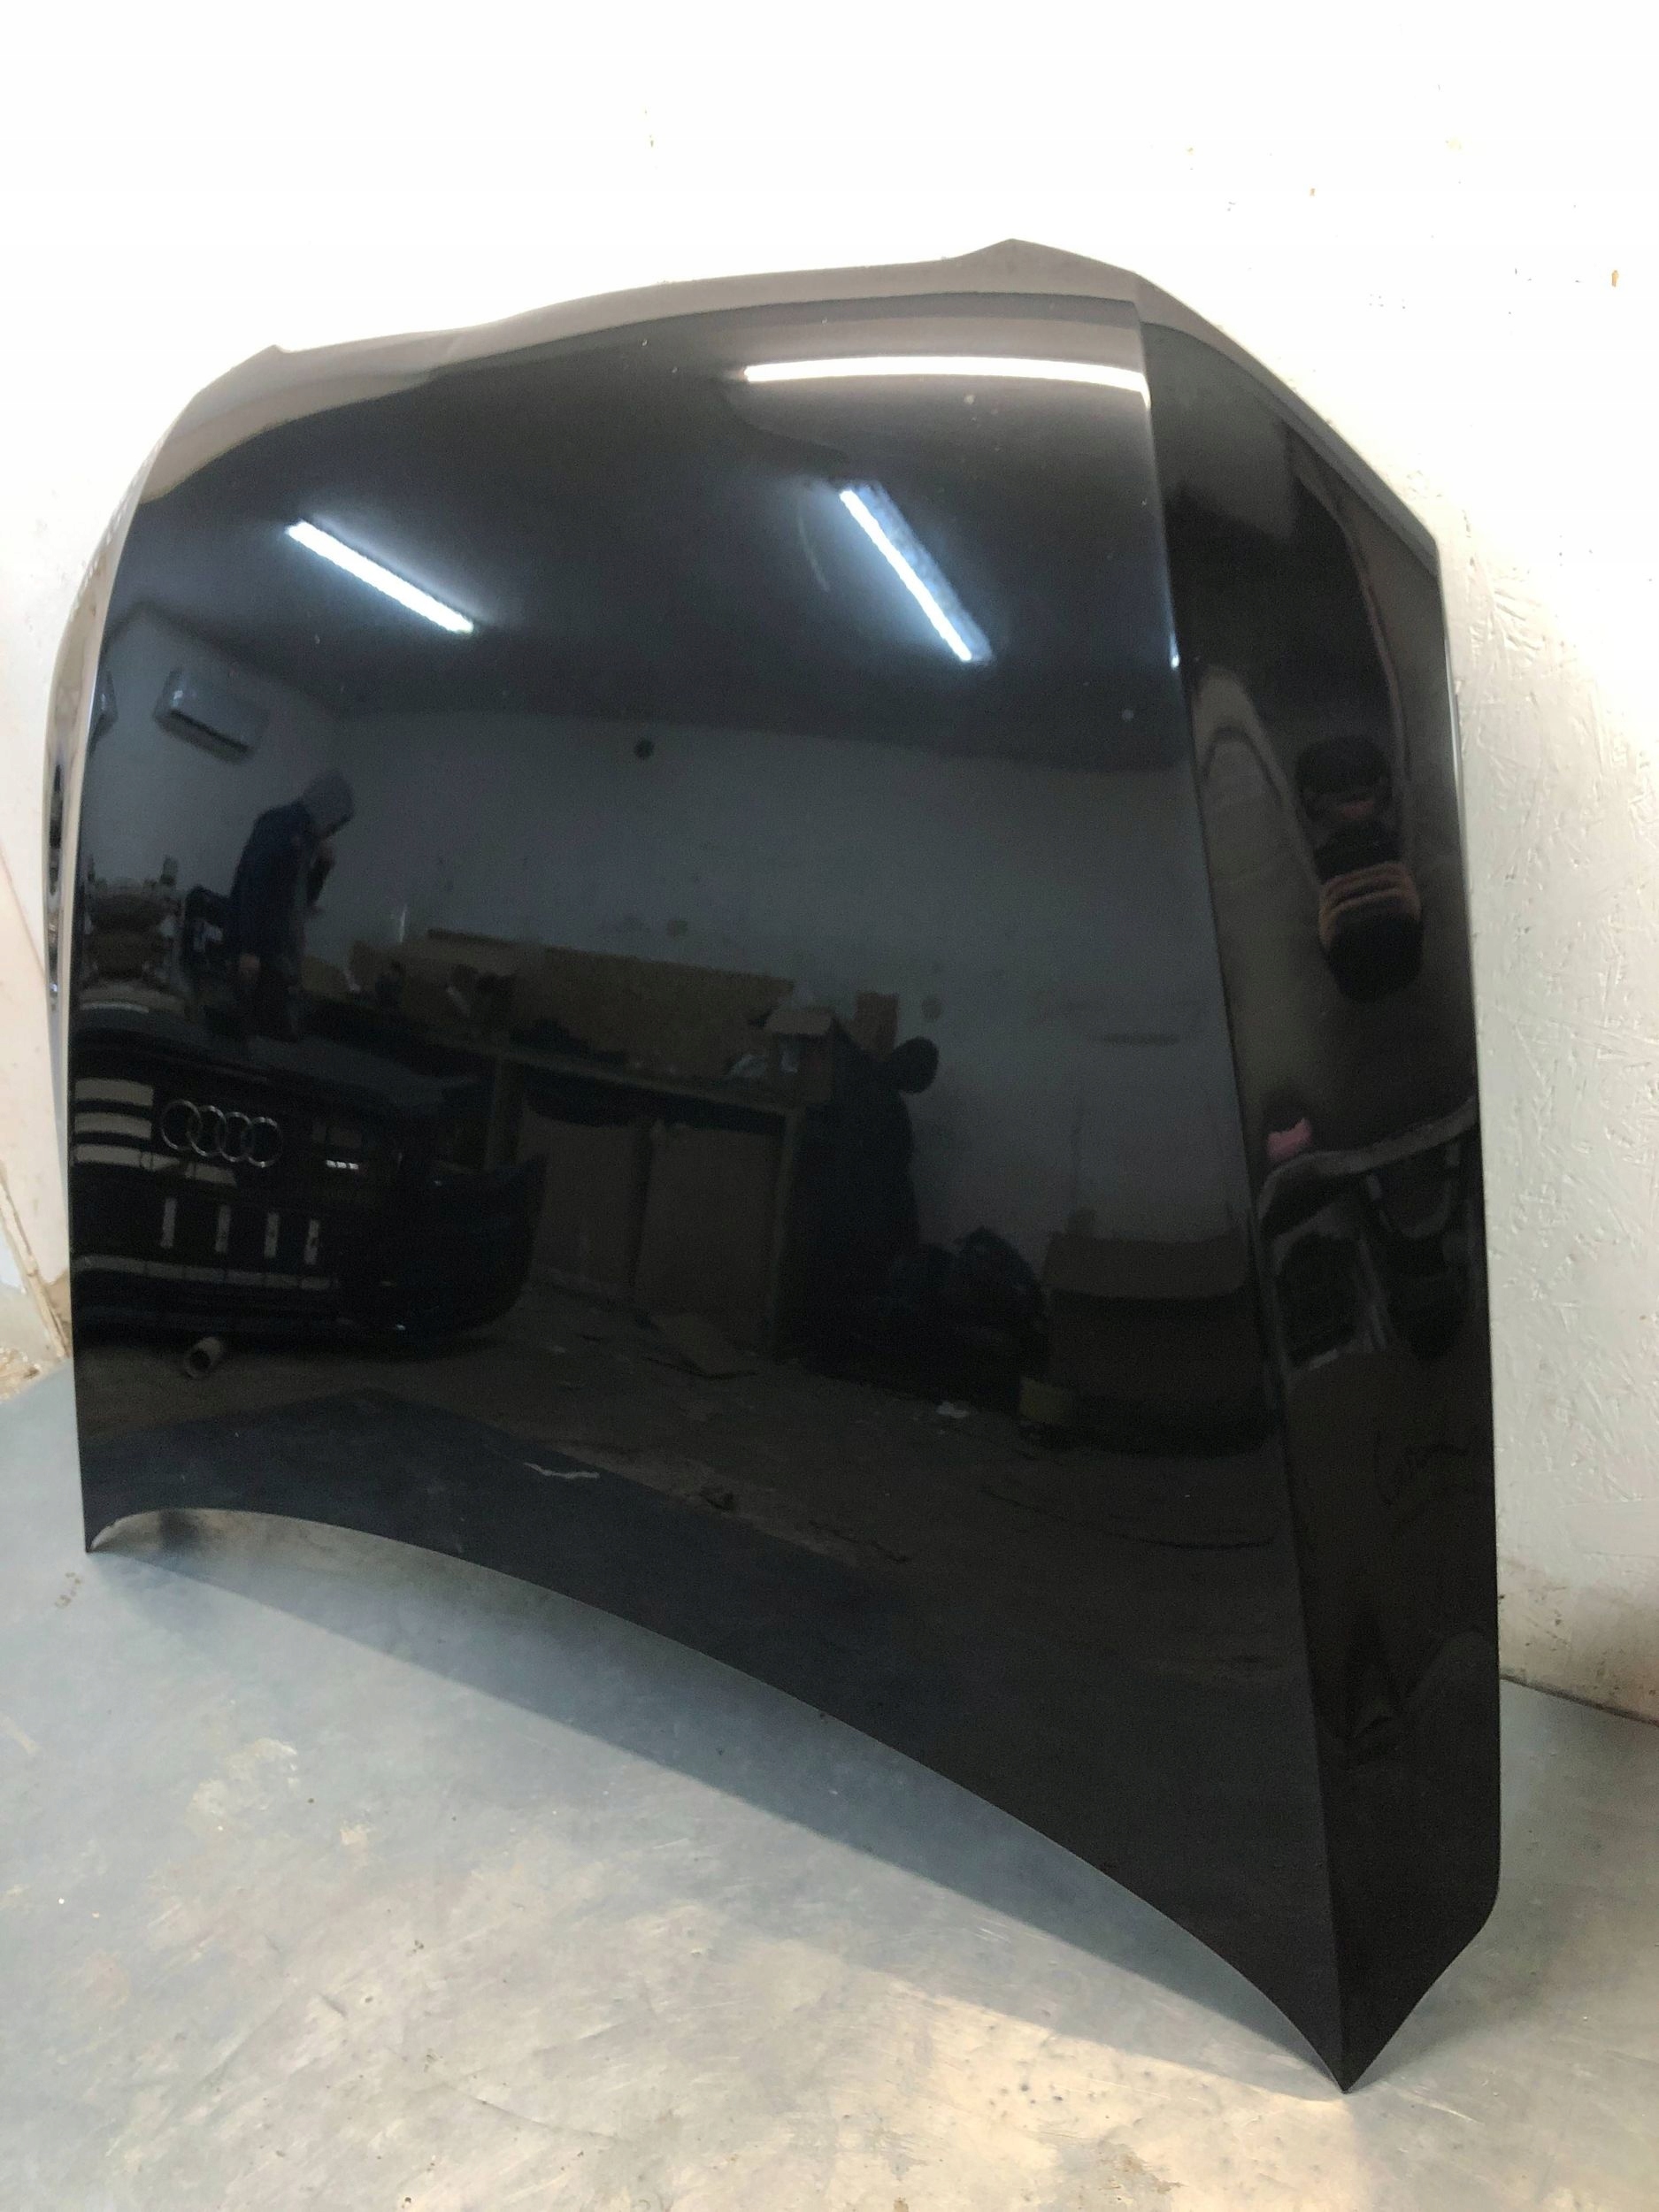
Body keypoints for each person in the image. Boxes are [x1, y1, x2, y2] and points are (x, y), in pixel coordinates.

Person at [225, 771, 355, 1037]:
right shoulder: (282, 826)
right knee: (256, 1035)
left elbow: (299, 901)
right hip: (262, 958)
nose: (332, 832)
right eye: (334, 825)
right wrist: (250, 949)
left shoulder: (304, 839)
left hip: (277, 961)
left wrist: (321, 869)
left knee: (270, 1036)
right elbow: (255, 883)